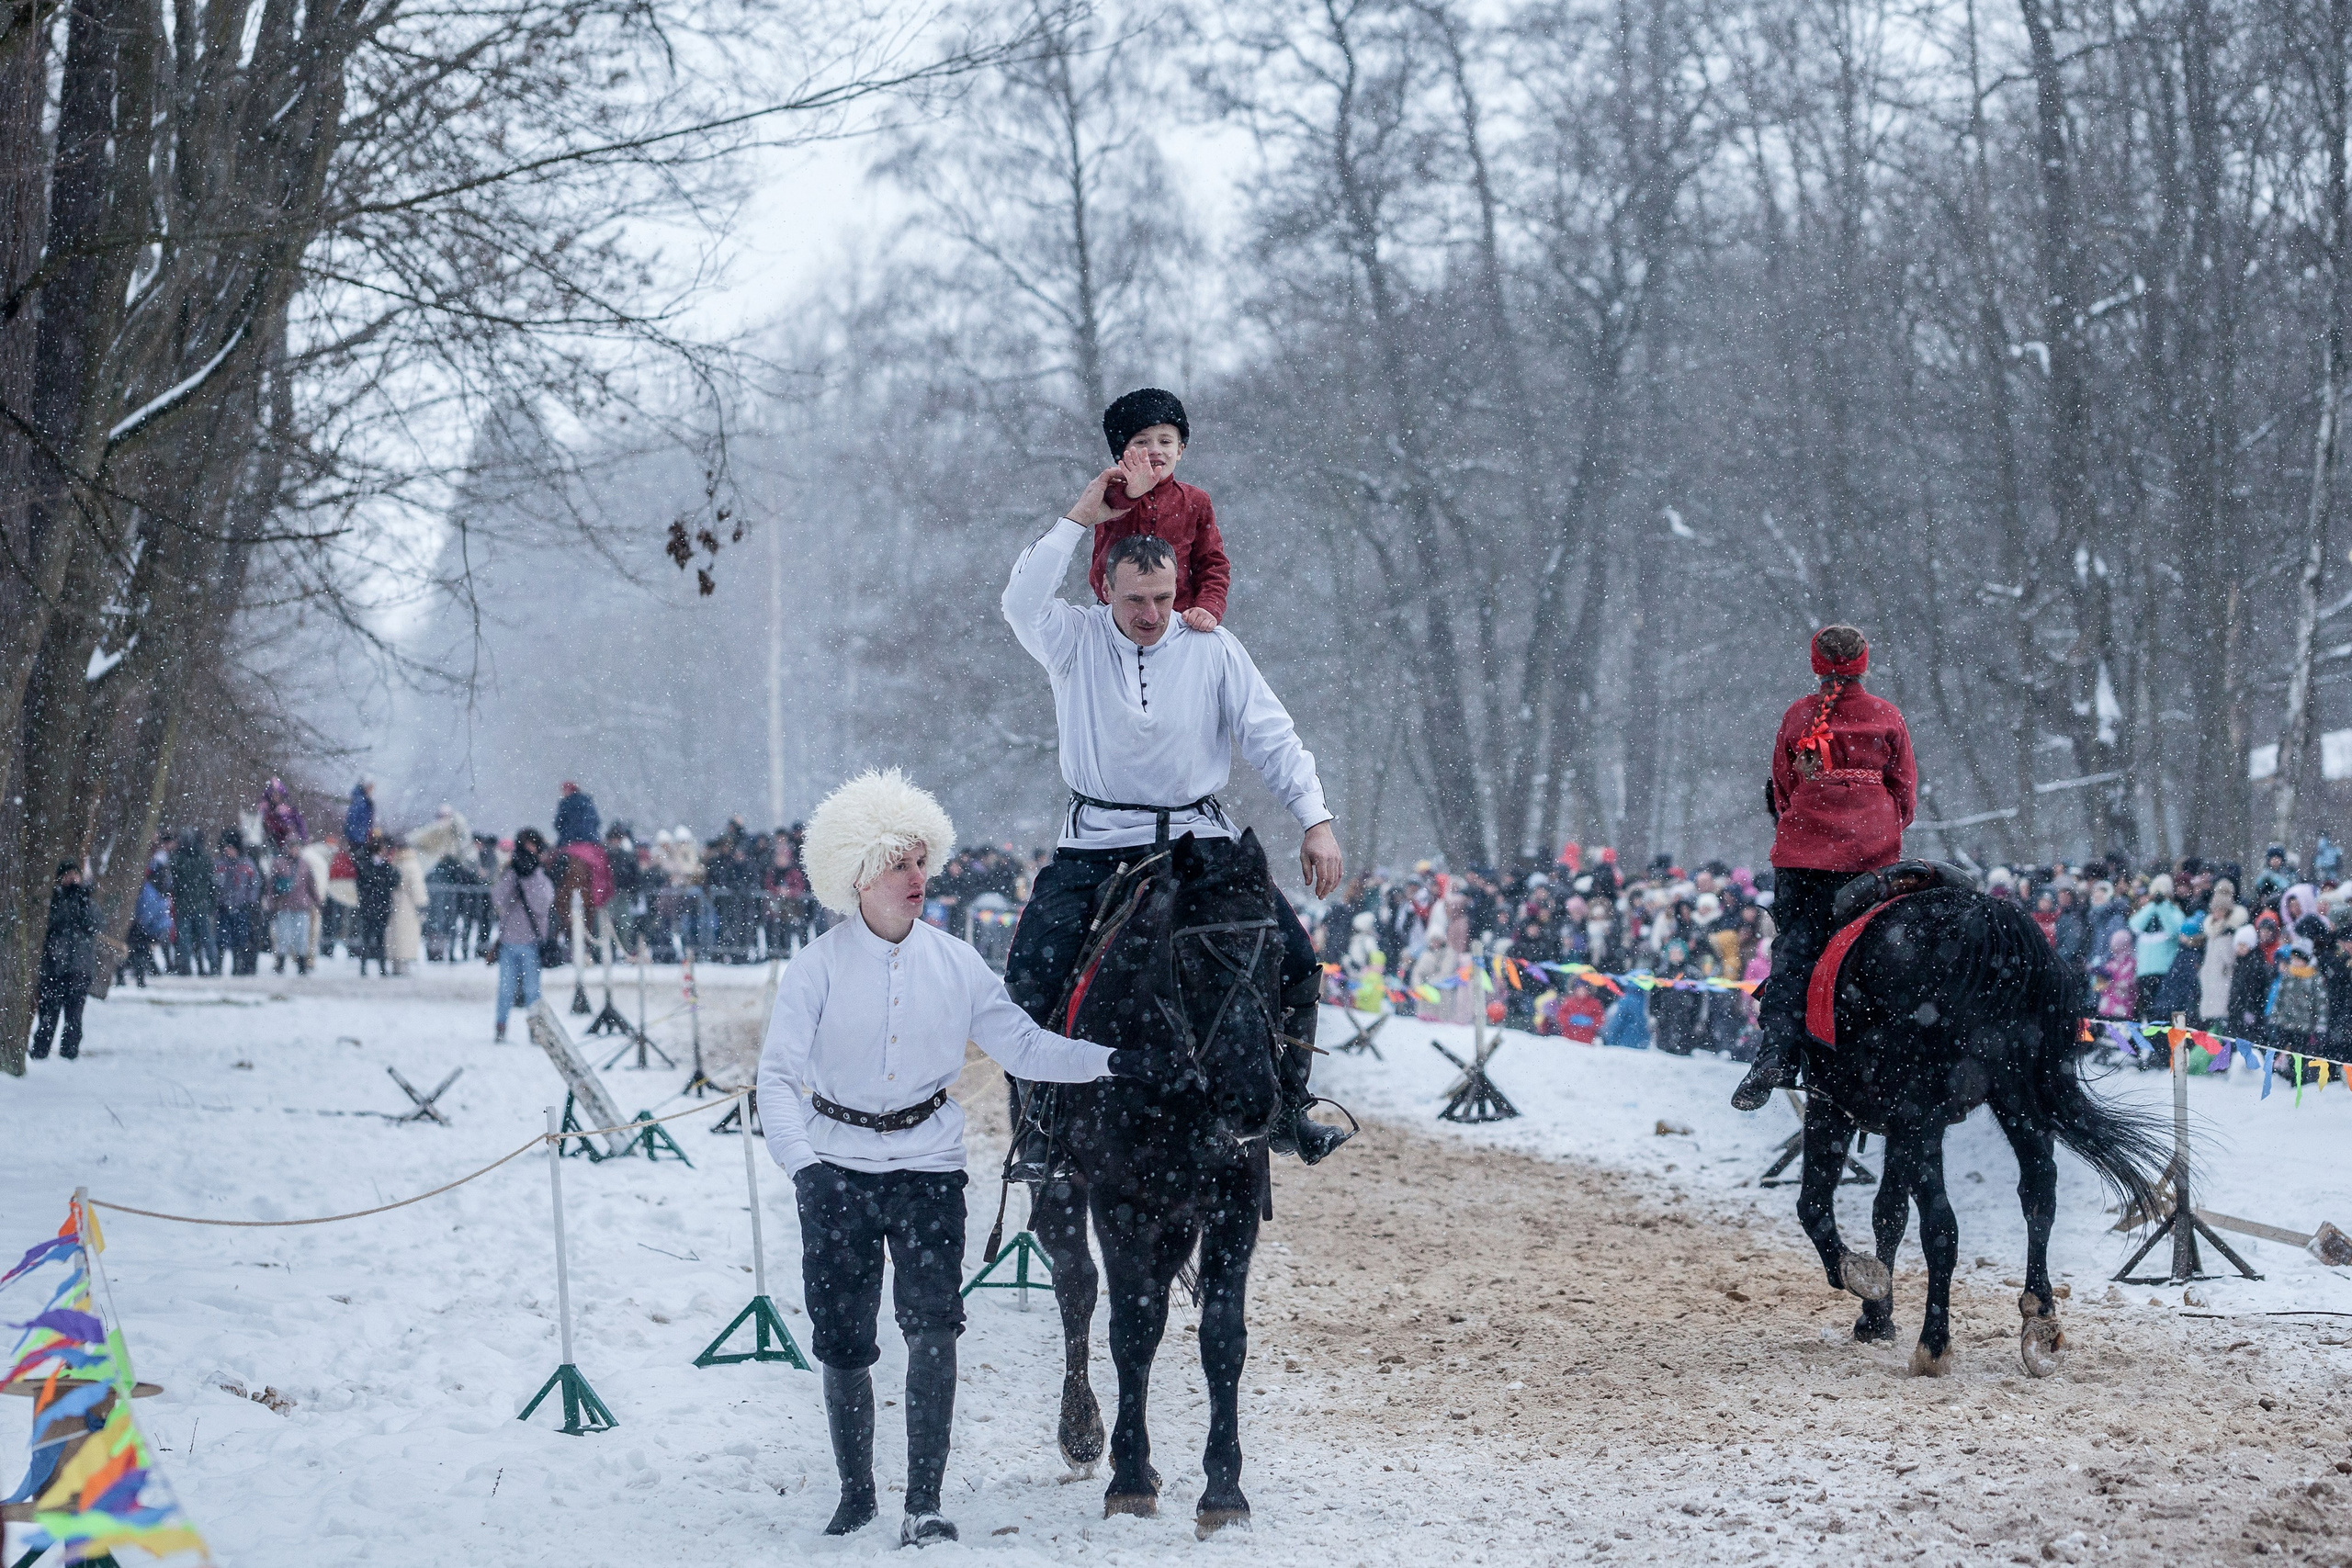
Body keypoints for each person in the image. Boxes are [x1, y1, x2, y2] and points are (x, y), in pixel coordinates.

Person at [755, 770, 1170, 1546]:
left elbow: (1026, 1046)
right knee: (844, 1338)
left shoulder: (958, 964)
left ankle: (924, 1500)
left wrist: (1113, 1060)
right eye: (899, 864)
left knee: (933, 1329)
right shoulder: (814, 968)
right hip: (836, 1170)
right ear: (858, 877)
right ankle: (856, 1494)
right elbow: (776, 1079)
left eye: (921, 860)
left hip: (930, 1169)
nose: (918, 878)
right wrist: (804, 1167)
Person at [1001, 498, 1349, 1166]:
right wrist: (1078, 516)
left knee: (1297, 959)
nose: (1152, 613)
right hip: (1096, 844)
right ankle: (1039, 1122)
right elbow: (1020, 598)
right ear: (1104, 588)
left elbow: (1271, 736)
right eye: (1135, 599)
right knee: (1029, 974)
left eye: (1162, 596)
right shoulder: (1071, 638)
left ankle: (1288, 1105)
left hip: (1199, 842)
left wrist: (1316, 818)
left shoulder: (1213, 646)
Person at [1732, 626, 1917, 1111]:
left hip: (1805, 858)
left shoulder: (1798, 716)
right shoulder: (1888, 716)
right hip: (1872, 858)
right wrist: (1872, 826)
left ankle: (1776, 1053)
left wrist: (1819, 815)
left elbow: (1783, 789)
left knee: (1797, 952)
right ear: (1864, 663)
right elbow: (1904, 795)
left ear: (1817, 664)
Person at [1083, 388, 1230, 634]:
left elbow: (1212, 563)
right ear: (1123, 453)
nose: (1155, 450)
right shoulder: (1108, 491)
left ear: (1180, 450)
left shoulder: (1196, 501)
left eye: (1165, 441)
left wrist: (1208, 606)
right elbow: (1108, 506)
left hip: (1178, 622)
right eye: (1142, 441)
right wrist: (1134, 491)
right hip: (1115, 621)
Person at [492, 829, 555, 1041]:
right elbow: (498, 899)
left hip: (531, 943)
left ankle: (535, 1031)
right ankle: (500, 1028)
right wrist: (513, 875)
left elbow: (542, 905)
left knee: (532, 992)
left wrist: (529, 878)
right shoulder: (511, 874)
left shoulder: (540, 877)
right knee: (505, 990)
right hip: (509, 941)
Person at [31, 863, 96, 1061]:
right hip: (53, 968)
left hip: (79, 969)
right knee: (48, 1016)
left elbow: (95, 924)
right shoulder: (53, 900)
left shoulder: (86, 899)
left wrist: (83, 901)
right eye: (67, 875)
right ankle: (40, 1052)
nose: (72, 878)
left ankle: (69, 1054)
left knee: (74, 1018)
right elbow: (50, 923)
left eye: (75, 874)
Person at [2130, 875, 2184, 1019]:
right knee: (2149, 1013)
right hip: (2145, 971)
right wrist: (2153, 905)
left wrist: (2162, 906)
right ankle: (2151, 1040)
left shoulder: (2174, 912)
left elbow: (2173, 930)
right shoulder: (2148, 910)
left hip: (2166, 971)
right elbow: (2134, 925)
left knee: (2166, 1012)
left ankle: (2165, 1041)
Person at [268, 840, 319, 976]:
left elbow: (311, 884)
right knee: (283, 936)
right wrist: (272, 903)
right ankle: (281, 962)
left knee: (301, 936)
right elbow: (272, 885)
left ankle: (301, 963)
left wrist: (317, 900)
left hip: (301, 905)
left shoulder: (304, 865)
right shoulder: (279, 864)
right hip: (284, 905)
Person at [553, 782, 602, 848]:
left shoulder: (566, 803)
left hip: (569, 840)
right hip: (591, 840)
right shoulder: (587, 802)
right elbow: (596, 821)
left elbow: (559, 823)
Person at [344, 778, 375, 849]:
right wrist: (360, 838)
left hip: (359, 838)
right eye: (370, 788)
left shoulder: (363, 801)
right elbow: (354, 820)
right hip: (357, 839)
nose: (371, 791)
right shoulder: (361, 801)